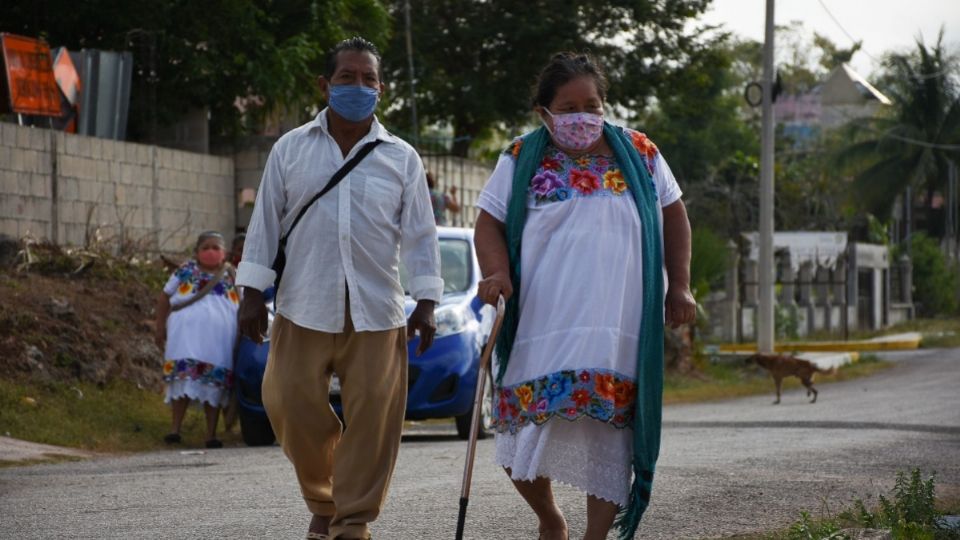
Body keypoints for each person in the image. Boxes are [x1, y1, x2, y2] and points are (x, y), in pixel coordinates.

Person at [473, 52, 696, 540]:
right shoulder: (520, 157)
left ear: (605, 105)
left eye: (592, 105)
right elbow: (488, 221)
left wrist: (678, 284)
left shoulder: (641, 152)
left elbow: (674, 214)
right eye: (569, 106)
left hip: (618, 325)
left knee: (610, 437)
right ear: (544, 112)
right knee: (519, 427)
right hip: (540, 322)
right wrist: (495, 271)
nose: (583, 117)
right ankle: (551, 519)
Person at [235, 37, 442, 540]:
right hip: (303, 303)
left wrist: (428, 302)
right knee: (286, 401)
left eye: (368, 78)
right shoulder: (290, 148)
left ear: (382, 89)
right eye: (347, 77)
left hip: (378, 310)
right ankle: (323, 500)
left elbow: (420, 234)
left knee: (374, 423)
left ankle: (351, 524)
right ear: (325, 85)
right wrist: (252, 294)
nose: (358, 86)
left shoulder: (402, 157)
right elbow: (264, 223)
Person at [154, 230, 240, 449]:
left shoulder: (233, 275)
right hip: (184, 339)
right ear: (197, 252)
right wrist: (159, 326)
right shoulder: (185, 271)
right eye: (206, 247)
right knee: (183, 380)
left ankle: (211, 434)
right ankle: (175, 430)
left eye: (215, 247)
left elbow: (246, 303)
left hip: (218, 343)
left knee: (214, 384)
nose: (210, 252)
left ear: (225, 253)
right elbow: (165, 297)